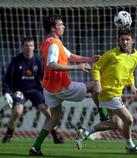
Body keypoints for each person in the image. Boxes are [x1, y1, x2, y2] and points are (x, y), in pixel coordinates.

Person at [28, 15, 100, 156]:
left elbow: (69, 55)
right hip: (61, 86)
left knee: (53, 118)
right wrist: (77, 67)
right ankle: (104, 117)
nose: (64, 26)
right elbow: (52, 64)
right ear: (53, 28)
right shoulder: (54, 44)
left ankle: (35, 147)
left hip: (49, 88)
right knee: (94, 86)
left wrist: (89, 59)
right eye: (61, 24)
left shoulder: (51, 42)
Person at [76, 29, 137, 155]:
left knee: (115, 123)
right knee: (129, 120)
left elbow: (130, 72)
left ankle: (86, 131)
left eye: (127, 39)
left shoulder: (135, 55)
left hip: (117, 92)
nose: (125, 42)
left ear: (133, 41)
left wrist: (132, 86)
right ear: (118, 41)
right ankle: (130, 146)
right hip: (108, 92)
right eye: (122, 39)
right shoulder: (111, 54)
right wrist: (97, 83)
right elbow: (96, 67)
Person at [2, 37, 64, 144]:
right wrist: (7, 92)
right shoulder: (16, 61)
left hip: (35, 90)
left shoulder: (39, 59)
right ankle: (8, 134)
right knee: (17, 111)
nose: (29, 48)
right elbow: (7, 78)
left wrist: (50, 88)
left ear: (34, 47)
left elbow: (45, 76)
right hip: (20, 90)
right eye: (26, 45)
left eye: (31, 45)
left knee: (47, 111)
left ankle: (55, 135)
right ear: (22, 47)